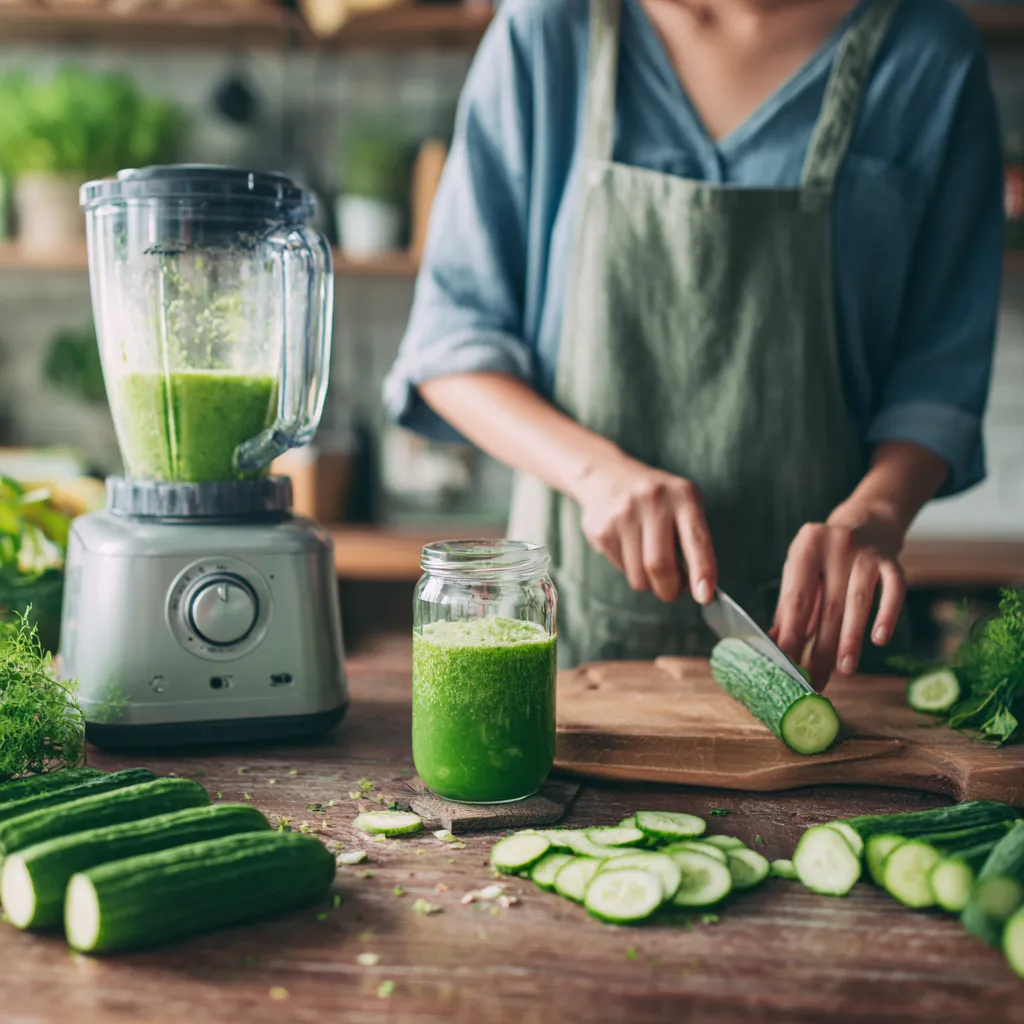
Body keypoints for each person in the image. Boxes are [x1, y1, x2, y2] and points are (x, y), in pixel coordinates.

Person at [384, 0, 1003, 686]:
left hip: (827, 663)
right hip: (569, 651)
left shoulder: (928, 55)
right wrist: (595, 474)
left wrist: (878, 514)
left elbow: (937, 381)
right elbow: (452, 344)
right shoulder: (548, 30)